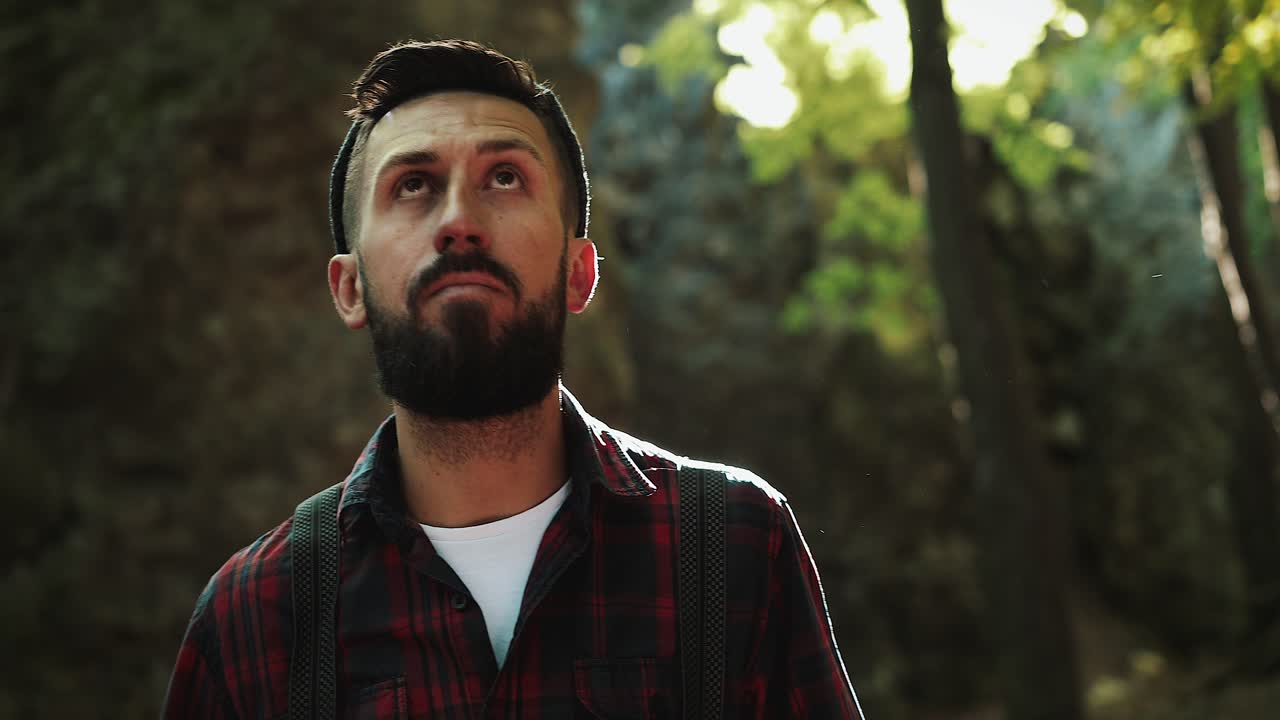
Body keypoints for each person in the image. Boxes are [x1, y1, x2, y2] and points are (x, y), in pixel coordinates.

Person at [163, 38, 862, 719]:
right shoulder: (253, 618)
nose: (460, 222)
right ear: (349, 288)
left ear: (580, 272)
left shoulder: (733, 545)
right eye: (413, 185)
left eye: (504, 178)